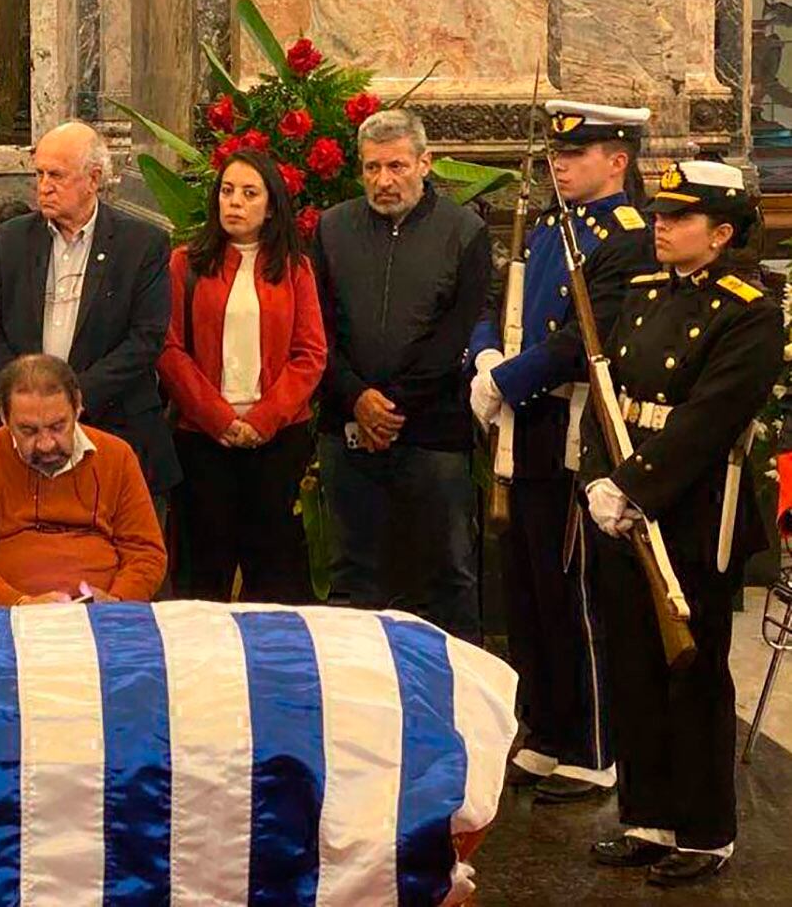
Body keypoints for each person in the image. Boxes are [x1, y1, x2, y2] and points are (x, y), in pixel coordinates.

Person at [580, 160, 780, 887]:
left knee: (690, 672)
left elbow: (707, 420)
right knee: (631, 663)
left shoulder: (749, 311)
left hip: (692, 511)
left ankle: (702, 831)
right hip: (622, 506)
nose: (660, 225)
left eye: (679, 217)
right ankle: (646, 817)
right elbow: (608, 396)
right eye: (659, 214)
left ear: (721, 233)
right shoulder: (639, 294)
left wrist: (635, 487)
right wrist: (598, 480)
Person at [467, 100, 656, 804]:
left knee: (575, 591)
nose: (561, 165)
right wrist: (484, 358)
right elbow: (495, 295)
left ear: (617, 160)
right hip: (519, 422)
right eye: (556, 155)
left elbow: (584, 340)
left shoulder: (625, 237)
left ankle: (593, 746)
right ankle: (545, 729)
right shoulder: (548, 224)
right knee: (525, 587)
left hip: (569, 427)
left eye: (576, 155)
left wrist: (506, 381)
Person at [312, 108, 491, 641]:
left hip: (433, 431)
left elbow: (456, 333)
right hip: (347, 429)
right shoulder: (332, 228)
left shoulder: (465, 231)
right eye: (371, 169)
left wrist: (389, 407)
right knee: (353, 575)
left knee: (447, 574)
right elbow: (318, 329)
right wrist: (356, 398)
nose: (383, 181)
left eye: (396, 167)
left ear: (425, 163)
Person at [0, 120, 181, 501]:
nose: (43, 186)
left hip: (117, 429)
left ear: (93, 179)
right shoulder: (14, 240)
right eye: (39, 174)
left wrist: (71, 398)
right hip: (27, 437)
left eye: (57, 175)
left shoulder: (142, 244)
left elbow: (145, 339)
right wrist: (26, 397)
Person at [157, 150, 326, 603]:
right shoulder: (184, 262)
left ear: (270, 206)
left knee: (274, 577)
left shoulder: (295, 268)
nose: (235, 202)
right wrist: (218, 418)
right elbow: (169, 349)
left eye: (249, 193)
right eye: (227, 191)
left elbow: (310, 354)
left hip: (276, 443)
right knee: (202, 576)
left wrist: (263, 419)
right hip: (202, 441)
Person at [0, 354, 166, 606]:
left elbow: (145, 553)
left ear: (78, 406)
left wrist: (118, 601)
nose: (46, 444)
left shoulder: (117, 456)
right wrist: (19, 605)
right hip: (10, 620)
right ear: (4, 416)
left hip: (106, 617)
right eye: (28, 430)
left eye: (58, 427)